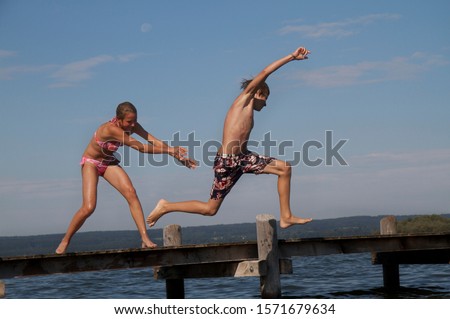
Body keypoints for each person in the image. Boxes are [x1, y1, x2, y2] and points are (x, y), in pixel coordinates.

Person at [147, 47, 312, 229]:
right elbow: (266, 72)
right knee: (210, 209)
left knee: (284, 168)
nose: (266, 104)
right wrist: (291, 57)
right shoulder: (244, 100)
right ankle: (166, 206)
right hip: (226, 161)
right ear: (258, 92)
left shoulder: (250, 111)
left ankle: (286, 216)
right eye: (265, 98)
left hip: (243, 159)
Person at [55, 102, 197, 254]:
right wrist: (170, 151)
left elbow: (152, 140)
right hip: (91, 163)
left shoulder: (133, 126)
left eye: (135, 120)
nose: (133, 124)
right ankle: (65, 240)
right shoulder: (110, 129)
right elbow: (141, 148)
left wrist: (174, 154)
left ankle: (144, 238)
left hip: (108, 162)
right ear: (119, 119)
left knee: (131, 192)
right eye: (129, 121)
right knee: (89, 207)